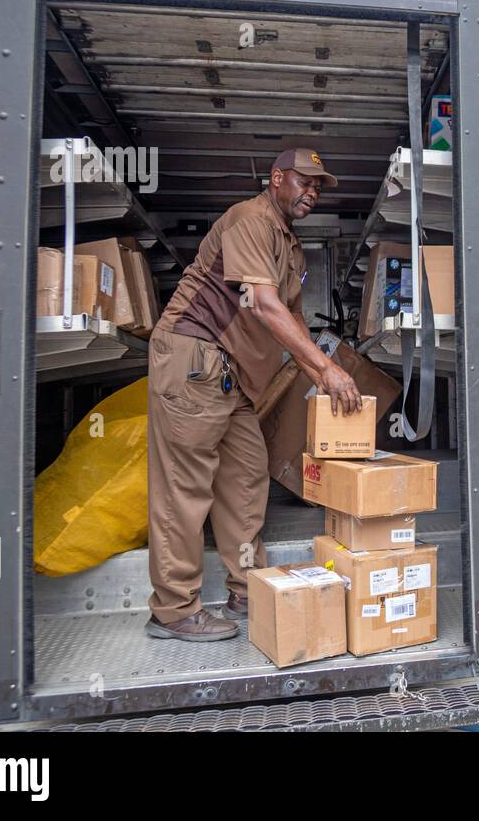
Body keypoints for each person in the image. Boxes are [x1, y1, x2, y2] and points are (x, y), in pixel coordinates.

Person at [144, 147, 363, 642]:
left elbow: (293, 318)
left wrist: (322, 376)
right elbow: (262, 304)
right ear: (276, 178)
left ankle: (246, 587)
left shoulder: (290, 244)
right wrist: (326, 370)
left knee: (245, 479)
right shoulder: (250, 220)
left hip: (234, 377)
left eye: (317, 187)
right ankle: (173, 611)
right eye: (303, 182)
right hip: (195, 359)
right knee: (184, 490)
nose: (310, 193)